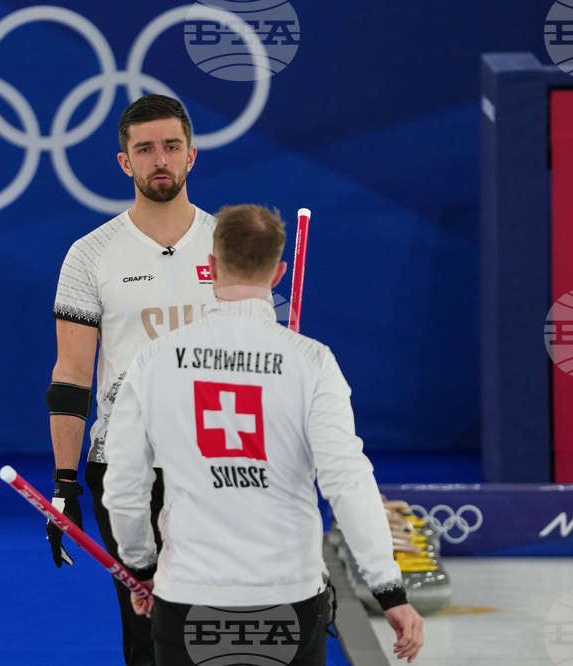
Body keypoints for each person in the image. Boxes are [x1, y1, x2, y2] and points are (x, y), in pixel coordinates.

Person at [103, 204, 425, 664]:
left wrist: (141, 567)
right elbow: (347, 481)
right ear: (278, 273)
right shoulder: (312, 362)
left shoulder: (155, 360)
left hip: (189, 594)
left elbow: (125, 485)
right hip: (289, 594)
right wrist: (389, 589)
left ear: (209, 266)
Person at [46, 94, 219, 666]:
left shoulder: (230, 246)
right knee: (148, 631)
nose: (159, 159)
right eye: (144, 149)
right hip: (125, 467)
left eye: (171, 146)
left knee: (219, 622)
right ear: (126, 162)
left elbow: (264, 365)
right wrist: (65, 482)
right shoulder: (89, 255)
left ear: (191, 155)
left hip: (219, 462)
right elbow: (71, 376)